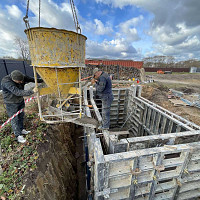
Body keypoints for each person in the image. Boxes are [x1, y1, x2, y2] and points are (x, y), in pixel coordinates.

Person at [1, 70, 42, 143]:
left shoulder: (21, 77)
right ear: (13, 80)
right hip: (11, 103)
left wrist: (43, 80)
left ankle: (21, 129)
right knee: (14, 119)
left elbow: (32, 79)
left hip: (20, 100)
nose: (21, 82)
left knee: (21, 115)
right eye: (19, 81)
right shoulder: (6, 82)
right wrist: (32, 91)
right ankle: (18, 135)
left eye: (22, 80)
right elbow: (17, 92)